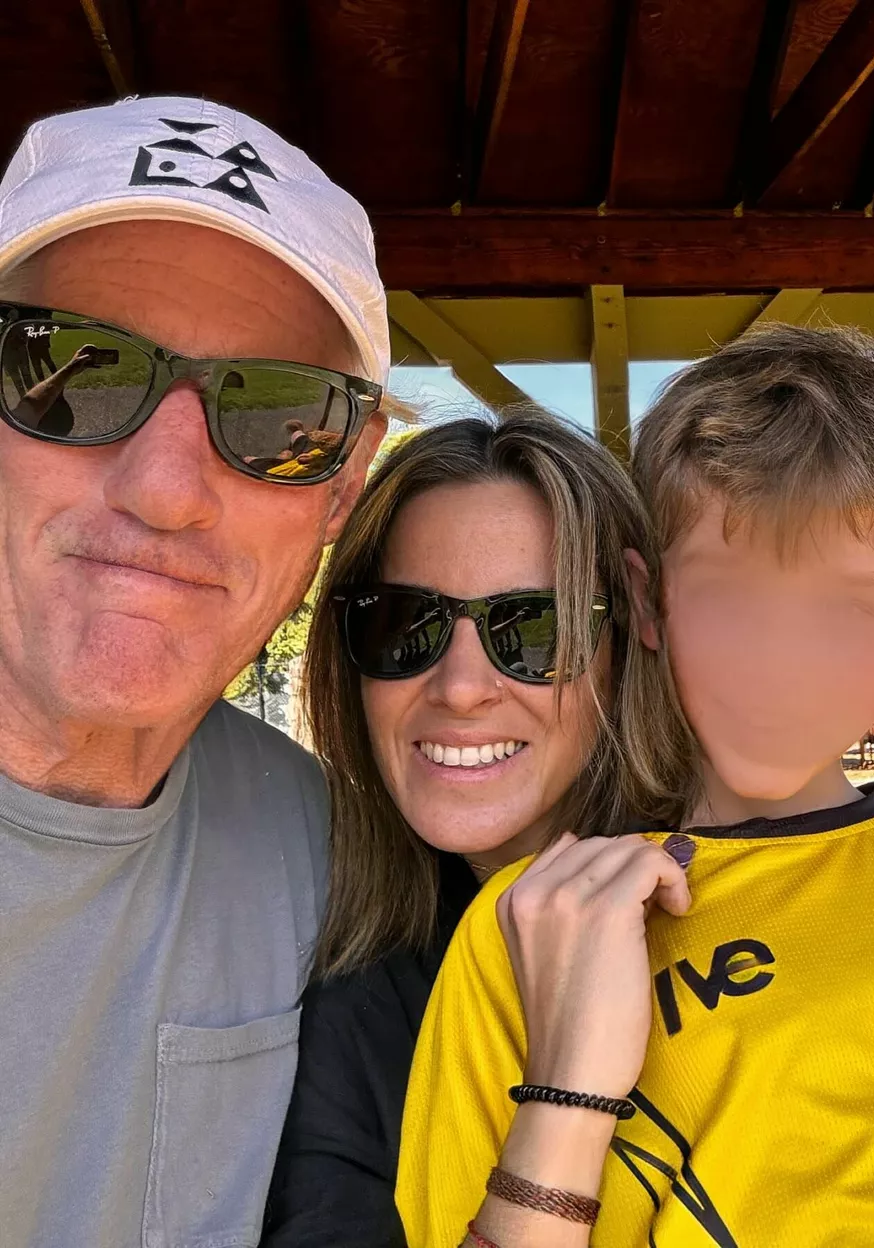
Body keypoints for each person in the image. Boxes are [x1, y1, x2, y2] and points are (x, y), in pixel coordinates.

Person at [396, 325, 874, 1248]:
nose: (780, 664)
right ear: (648, 602)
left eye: (845, 608)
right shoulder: (536, 925)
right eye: (728, 594)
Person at [0, 96, 390, 1248]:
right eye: (72, 371)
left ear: (343, 488)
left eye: (277, 415)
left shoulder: (319, 851)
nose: (166, 490)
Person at [261, 410, 699, 1246]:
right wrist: (567, 1098)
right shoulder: (356, 988)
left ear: (631, 631)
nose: (460, 687)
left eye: (534, 627)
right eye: (404, 624)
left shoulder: (747, 909)